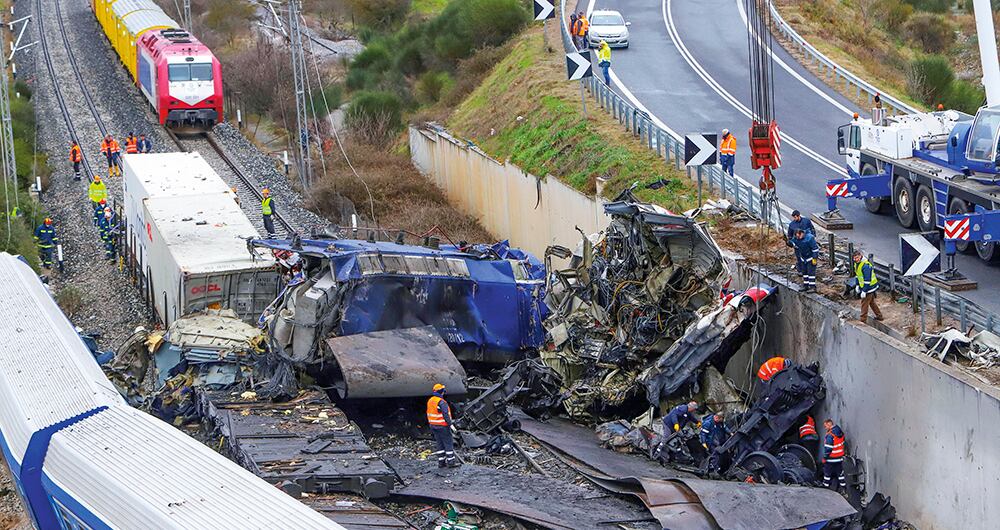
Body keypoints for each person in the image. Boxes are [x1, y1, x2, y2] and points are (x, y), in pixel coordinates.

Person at [427, 383, 460, 468]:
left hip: (433, 426)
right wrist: (451, 425)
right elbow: (445, 414)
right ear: (441, 392)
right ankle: (451, 462)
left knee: (439, 443)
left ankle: (441, 462)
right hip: (442, 426)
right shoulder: (441, 402)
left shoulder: (430, 400)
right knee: (448, 443)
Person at [853, 250, 884, 322]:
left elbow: (867, 280)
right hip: (866, 287)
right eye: (854, 258)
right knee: (871, 302)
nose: (855, 259)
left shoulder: (866, 266)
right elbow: (858, 275)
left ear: (860, 256)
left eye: (857, 258)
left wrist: (864, 291)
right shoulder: (857, 264)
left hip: (869, 287)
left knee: (864, 303)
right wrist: (857, 285)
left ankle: (862, 320)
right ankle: (879, 316)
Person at [791, 228, 819, 292]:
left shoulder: (809, 238)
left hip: (810, 258)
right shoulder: (796, 238)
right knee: (804, 272)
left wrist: (814, 258)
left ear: (802, 233)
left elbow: (815, 249)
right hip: (803, 258)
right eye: (797, 237)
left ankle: (812, 287)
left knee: (811, 273)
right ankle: (806, 285)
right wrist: (789, 243)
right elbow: (793, 243)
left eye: (799, 236)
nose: (798, 238)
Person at [822, 419, 847, 491]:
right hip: (839, 458)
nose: (825, 427)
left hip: (831, 458)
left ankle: (825, 487)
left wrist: (825, 457)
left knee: (827, 473)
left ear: (829, 424)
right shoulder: (840, 433)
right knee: (840, 474)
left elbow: (828, 448)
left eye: (825, 426)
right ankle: (844, 488)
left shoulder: (830, 435)